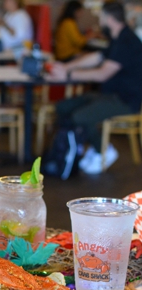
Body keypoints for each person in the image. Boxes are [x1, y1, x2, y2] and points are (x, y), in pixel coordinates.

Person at [50, 1, 142, 174]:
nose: (100, 22)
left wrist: (68, 75)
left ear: (108, 17)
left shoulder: (127, 41)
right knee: (63, 107)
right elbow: (96, 57)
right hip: (108, 95)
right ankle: (78, 149)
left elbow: (102, 74)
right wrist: (66, 67)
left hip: (124, 101)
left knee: (80, 116)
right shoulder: (118, 38)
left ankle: (104, 150)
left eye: (100, 18)